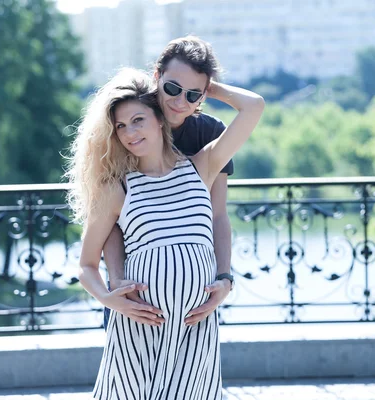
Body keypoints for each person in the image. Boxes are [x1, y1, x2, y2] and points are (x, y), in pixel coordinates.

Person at [65, 68, 264, 399]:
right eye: (121, 126)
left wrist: (202, 89)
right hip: (139, 327)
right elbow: (86, 265)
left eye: (138, 120)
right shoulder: (117, 188)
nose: (130, 132)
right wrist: (110, 300)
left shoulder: (203, 166)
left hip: (194, 326)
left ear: (160, 119)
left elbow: (254, 107)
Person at [102, 36, 235, 329]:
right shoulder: (129, 123)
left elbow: (218, 214)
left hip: (194, 302)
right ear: (157, 76)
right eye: (173, 88)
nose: (179, 101)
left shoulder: (210, 133)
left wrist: (224, 279)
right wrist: (117, 284)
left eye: (193, 95)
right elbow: (107, 220)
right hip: (134, 295)